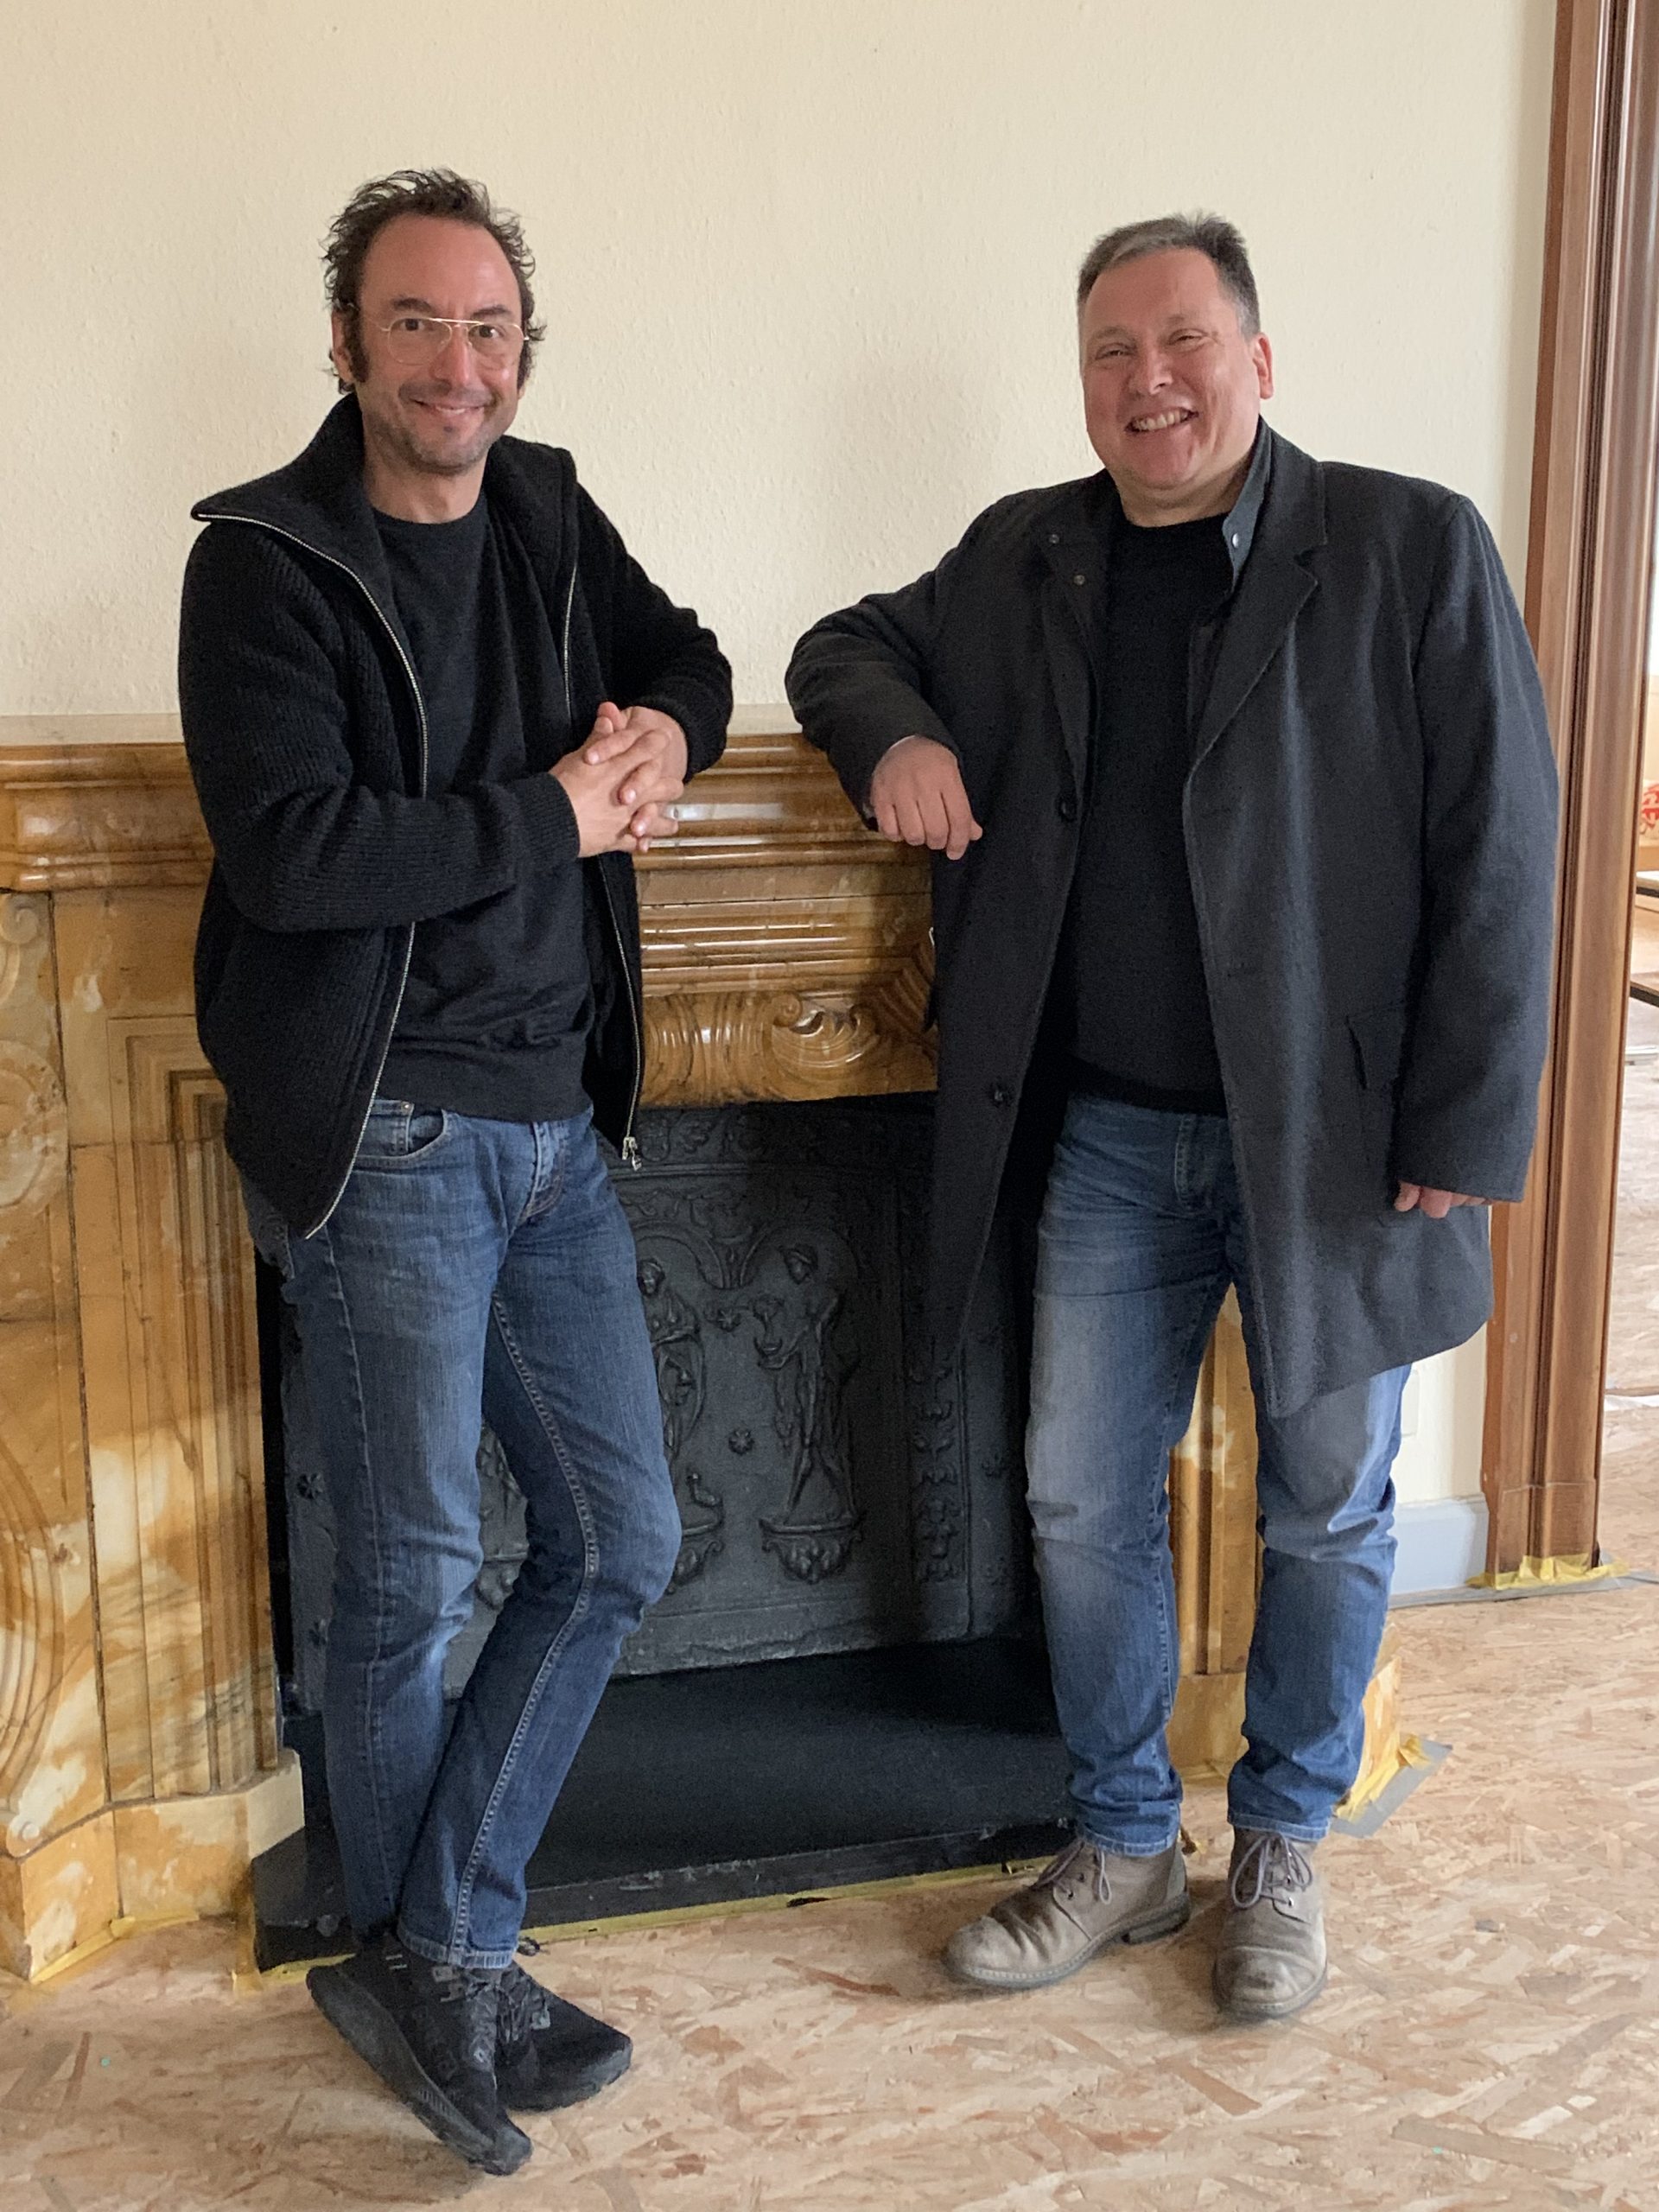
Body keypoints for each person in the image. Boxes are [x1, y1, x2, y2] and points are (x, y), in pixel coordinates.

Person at [785, 213, 1557, 2024]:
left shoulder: (1410, 544)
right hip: (1112, 1141)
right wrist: (895, 736)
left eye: (1185, 340)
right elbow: (842, 644)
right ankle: (1126, 1841)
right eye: (1112, 351)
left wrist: (1466, 1122)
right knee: (1075, 1497)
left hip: (1338, 1145)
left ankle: (1283, 1838)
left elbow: (1503, 846)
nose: (1150, 379)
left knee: (1325, 1509)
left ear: (1258, 360)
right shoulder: (1026, 552)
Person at [179, 168, 731, 2171]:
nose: (460, 362)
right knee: (410, 1572)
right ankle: (447, 1964)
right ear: (347, 343)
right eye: (418, 322)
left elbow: (692, 653)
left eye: (491, 327)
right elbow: (297, 852)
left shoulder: (550, 512)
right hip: (390, 1122)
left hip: (555, 1123)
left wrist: (664, 741)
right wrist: (554, 813)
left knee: (622, 1536)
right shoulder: (263, 562)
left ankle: (436, 1948)